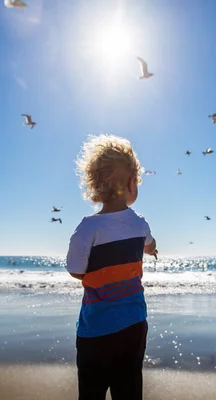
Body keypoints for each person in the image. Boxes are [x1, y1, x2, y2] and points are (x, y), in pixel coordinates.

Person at [66, 134, 157, 400]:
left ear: (95, 187)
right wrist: (151, 250)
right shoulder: (140, 223)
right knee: (128, 391)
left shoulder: (87, 228)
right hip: (133, 326)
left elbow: (76, 270)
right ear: (132, 183)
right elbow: (149, 244)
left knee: (91, 392)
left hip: (95, 332)